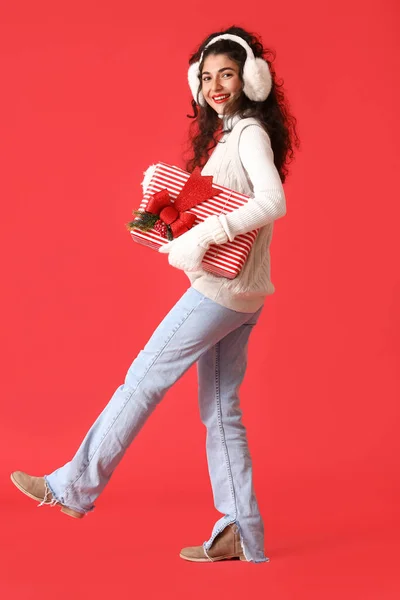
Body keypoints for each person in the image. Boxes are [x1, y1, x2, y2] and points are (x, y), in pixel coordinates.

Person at [11, 25, 299, 564]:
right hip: (243, 294)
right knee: (220, 409)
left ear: (251, 79)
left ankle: (73, 486)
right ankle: (243, 531)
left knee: (143, 379)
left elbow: (272, 202)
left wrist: (204, 237)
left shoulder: (250, 134)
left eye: (228, 75)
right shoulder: (229, 135)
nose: (216, 86)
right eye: (207, 77)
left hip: (219, 290)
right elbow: (217, 202)